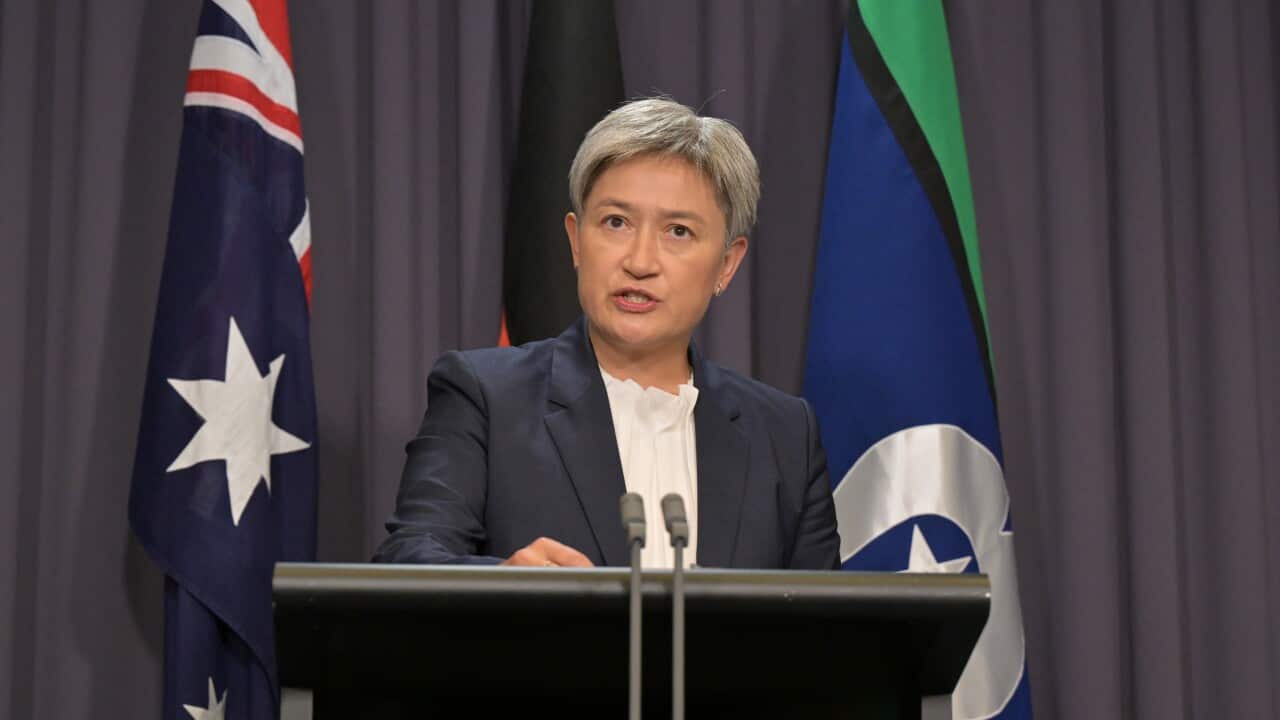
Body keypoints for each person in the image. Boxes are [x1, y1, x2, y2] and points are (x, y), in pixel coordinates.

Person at [373, 98, 839, 569]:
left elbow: (829, 631)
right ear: (577, 240)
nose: (639, 262)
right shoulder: (485, 396)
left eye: (678, 231)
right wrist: (504, 583)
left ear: (727, 263)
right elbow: (407, 559)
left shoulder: (784, 436)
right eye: (616, 222)